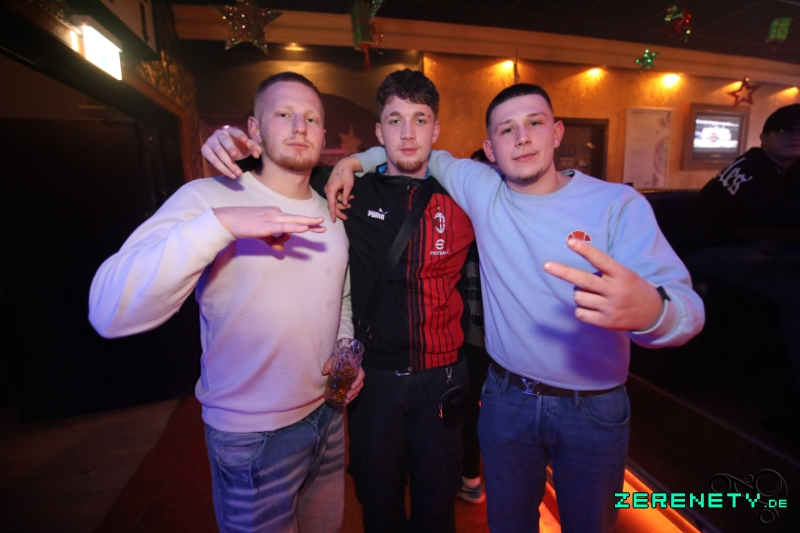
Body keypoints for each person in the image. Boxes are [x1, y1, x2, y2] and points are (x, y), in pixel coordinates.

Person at [328, 83, 705, 533]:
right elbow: (409, 147)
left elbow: (687, 308)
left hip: (592, 408)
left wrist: (655, 313)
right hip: (507, 400)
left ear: (557, 132)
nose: (522, 138)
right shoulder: (482, 188)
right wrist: (351, 163)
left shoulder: (617, 205)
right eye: (507, 129)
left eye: (534, 123)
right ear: (490, 149)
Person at [89, 72, 364, 533]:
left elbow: (341, 295)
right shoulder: (208, 198)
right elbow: (108, 311)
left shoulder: (331, 213)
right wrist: (220, 225)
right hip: (251, 436)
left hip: (329, 418)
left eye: (312, 118)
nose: (300, 126)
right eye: (284, 113)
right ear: (255, 129)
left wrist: (343, 344)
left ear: (323, 135)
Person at [202, 69, 475, 533]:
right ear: (379, 131)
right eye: (395, 121)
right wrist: (229, 144)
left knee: (437, 508)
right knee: (378, 503)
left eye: (420, 120)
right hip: (374, 382)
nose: (408, 134)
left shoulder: (466, 195)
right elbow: (278, 169)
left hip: (443, 379)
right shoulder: (344, 187)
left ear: (437, 129)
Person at [683, 103, 800, 389]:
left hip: (756, 245)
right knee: (795, 293)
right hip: (713, 251)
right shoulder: (751, 169)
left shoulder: (788, 168)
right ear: (764, 137)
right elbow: (776, 216)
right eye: (784, 130)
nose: (794, 136)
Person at [456, 149, 497, 505]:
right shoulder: (468, 221)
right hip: (472, 339)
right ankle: (470, 476)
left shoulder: (486, 221)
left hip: (495, 343)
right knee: (469, 409)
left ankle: (473, 477)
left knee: (475, 409)